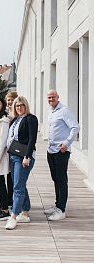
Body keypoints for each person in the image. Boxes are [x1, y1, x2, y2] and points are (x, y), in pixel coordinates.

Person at [45, 90, 79, 221]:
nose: (51, 99)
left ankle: (61, 209)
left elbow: (75, 127)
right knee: (55, 178)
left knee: (61, 179)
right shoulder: (52, 111)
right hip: (51, 150)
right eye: (49, 98)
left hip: (61, 151)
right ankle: (57, 205)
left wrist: (66, 143)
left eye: (53, 97)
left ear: (58, 97)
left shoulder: (64, 110)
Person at [5, 96, 38, 230]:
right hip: (13, 155)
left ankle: (14, 216)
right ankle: (24, 212)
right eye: (17, 106)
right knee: (19, 183)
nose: (19, 108)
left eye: (21, 105)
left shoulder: (31, 118)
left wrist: (27, 156)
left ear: (26, 106)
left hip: (23, 157)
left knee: (17, 186)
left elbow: (32, 139)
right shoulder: (15, 119)